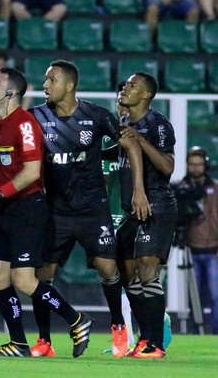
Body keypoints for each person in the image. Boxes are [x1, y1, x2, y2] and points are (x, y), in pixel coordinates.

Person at [0, 66, 94, 358]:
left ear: (10, 91)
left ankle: (77, 320)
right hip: (5, 209)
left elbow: (32, 172)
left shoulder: (25, 123)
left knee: (24, 280)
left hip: (28, 209)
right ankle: (18, 342)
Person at [28, 61, 150, 359]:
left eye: (51, 80)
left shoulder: (96, 115)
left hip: (92, 210)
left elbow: (131, 145)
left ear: (69, 86)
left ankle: (119, 327)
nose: (45, 85)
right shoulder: (36, 117)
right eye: (45, 80)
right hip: (54, 210)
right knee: (42, 274)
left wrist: (138, 189)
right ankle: (44, 341)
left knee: (109, 269)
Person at [117, 72, 177, 359]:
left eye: (132, 86)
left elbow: (167, 166)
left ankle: (155, 345)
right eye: (126, 84)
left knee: (146, 269)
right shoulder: (125, 123)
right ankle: (145, 337)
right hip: (132, 210)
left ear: (146, 96)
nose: (125, 88)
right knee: (127, 272)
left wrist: (141, 140)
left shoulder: (158, 125)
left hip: (157, 204)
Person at [171, 146, 218, 334]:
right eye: (192, 164)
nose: (195, 168)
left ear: (205, 165)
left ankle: (215, 333)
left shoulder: (215, 188)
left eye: (199, 164)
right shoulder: (179, 188)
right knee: (193, 296)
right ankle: (194, 332)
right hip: (189, 247)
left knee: (215, 295)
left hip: (213, 250)